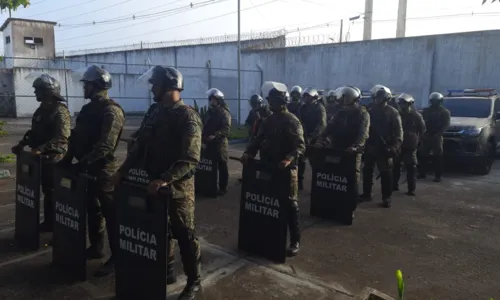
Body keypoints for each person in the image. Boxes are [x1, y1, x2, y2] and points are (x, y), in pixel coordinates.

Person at [115, 66, 202, 300]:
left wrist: (165, 179)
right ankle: (167, 271)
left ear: (169, 86)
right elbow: (140, 144)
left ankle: (194, 282)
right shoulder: (154, 111)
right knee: (158, 230)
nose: (152, 88)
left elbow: (191, 158)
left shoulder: (187, 116)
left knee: (184, 233)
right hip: (151, 184)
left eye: (155, 84)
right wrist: (123, 170)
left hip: (178, 189)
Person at [59, 65, 125, 276]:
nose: (84, 88)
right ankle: (96, 248)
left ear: (96, 85)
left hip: (103, 171)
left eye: (86, 84)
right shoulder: (88, 109)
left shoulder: (111, 111)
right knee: (92, 209)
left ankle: (118, 257)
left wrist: (83, 163)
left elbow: (106, 146)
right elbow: (76, 137)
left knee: (111, 213)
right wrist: (68, 159)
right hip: (86, 167)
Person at [241, 82, 305, 257]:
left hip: (286, 169)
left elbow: (300, 146)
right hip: (267, 165)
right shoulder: (267, 120)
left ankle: (295, 240)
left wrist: (289, 158)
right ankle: (265, 235)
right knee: (265, 200)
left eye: (273, 101)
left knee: (291, 204)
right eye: (269, 100)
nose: (270, 104)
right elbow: (257, 139)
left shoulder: (292, 121)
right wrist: (248, 152)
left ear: (281, 101)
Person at [11, 73, 71, 232]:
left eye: (38, 90)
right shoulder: (41, 110)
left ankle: (57, 224)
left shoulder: (60, 111)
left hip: (55, 157)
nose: (35, 93)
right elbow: (35, 132)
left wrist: (41, 149)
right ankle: (50, 221)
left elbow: (63, 137)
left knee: (54, 191)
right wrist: (22, 144)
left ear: (48, 91)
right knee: (46, 190)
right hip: (41, 158)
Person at [316, 86, 370, 216]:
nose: (341, 100)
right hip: (337, 148)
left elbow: (363, 134)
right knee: (333, 176)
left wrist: (356, 147)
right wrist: (321, 139)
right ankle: (332, 203)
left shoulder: (362, 113)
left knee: (352, 178)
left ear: (349, 97)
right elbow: (330, 127)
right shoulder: (341, 112)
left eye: (343, 97)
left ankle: (350, 207)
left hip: (352, 151)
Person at [360, 86, 403, 208]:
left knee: (386, 172)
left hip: (385, 147)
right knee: (367, 170)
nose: (379, 100)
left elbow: (399, 132)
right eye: (377, 97)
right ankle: (366, 194)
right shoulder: (368, 110)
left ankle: (386, 197)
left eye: (382, 98)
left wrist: (395, 146)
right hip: (370, 145)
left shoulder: (392, 112)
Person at [393, 93, 425, 195]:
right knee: (395, 166)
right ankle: (394, 185)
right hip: (397, 144)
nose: (402, 105)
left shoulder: (416, 116)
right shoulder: (396, 114)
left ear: (409, 104)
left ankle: (411, 189)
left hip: (410, 145)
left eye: (404, 103)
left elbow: (422, 129)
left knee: (411, 167)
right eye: (401, 103)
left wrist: (415, 138)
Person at [203, 88, 231, 195]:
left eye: (213, 99)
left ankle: (223, 187)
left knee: (222, 166)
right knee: (209, 166)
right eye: (210, 99)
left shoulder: (224, 113)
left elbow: (226, 129)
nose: (211, 101)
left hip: (220, 144)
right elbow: (205, 125)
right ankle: (210, 186)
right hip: (208, 143)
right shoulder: (209, 112)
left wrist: (215, 135)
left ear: (218, 100)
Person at [298, 87, 327, 190]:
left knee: (315, 164)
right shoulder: (303, 108)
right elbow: (300, 122)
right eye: (305, 96)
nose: (306, 98)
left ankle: (317, 185)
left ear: (314, 97)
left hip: (316, 140)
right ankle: (299, 183)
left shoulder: (319, 108)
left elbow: (322, 125)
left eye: (308, 96)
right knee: (300, 161)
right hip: (304, 138)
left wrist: (312, 137)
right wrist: (302, 136)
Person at [418, 92, 451, 182]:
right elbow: (421, 122)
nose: (434, 103)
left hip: (437, 136)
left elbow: (446, 124)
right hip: (426, 134)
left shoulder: (444, 112)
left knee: (438, 157)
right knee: (423, 155)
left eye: (436, 101)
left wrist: (439, 133)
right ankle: (422, 173)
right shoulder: (426, 111)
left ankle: (438, 175)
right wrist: (423, 133)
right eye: (433, 101)